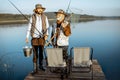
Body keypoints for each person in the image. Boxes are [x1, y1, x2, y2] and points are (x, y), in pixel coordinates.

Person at [25, 4, 49, 73]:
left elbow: (47, 27)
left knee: (41, 53)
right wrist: (27, 37)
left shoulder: (45, 17)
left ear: (42, 9)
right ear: (36, 9)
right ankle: (35, 68)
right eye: (38, 8)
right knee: (35, 54)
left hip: (42, 38)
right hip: (34, 38)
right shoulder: (32, 17)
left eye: (41, 8)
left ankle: (41, 66)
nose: (40, 10)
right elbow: (29, 28)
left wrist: (46, 35)